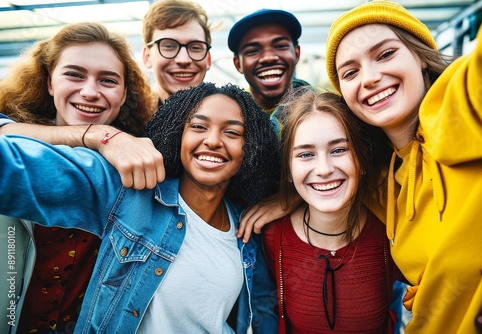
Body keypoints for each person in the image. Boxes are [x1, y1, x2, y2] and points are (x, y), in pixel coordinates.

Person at [0, 82, 280, 333]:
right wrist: (100, 135)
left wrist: (288, 199)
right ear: (177, 135)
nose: (213, 140)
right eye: (198, 127)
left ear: (250, 148)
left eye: (232, 132)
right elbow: (15, 168)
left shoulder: (247, 227)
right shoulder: (128, 192)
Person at [323, 0, 482, 332]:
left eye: (386, 54)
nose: (370, 78)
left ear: (420, 56)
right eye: (350, 72)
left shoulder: (465, 103)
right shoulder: (378, 180)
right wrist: (283, 201)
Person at [0, 22, 163, 334]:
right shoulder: (15, 141)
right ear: (49, 82)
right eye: (74, 74)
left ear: (125, 92)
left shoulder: (137, 156)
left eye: (108, 80)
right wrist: (98, 134)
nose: (90, 91)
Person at [261, 88, 399, 332]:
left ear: (362, 160)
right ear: (289, 171)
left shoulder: (391, 232)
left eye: (338, 150)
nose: (323, 169)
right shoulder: (272, 238)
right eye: (305, 154)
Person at [227, 8, 309, 131]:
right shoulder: (227, 117)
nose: (268, 58)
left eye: (280, 46)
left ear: (296, 54)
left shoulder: (323, 112)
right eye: (252, 51)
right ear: (238, 64)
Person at [142, 0, 212, 104]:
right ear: (147, 57)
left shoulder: (227, 115)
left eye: (195, 48)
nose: (183, 60)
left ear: (208, 59)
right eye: (169, 46)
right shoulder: (127, 117)